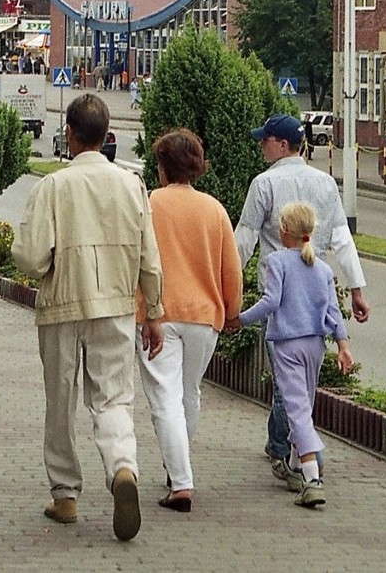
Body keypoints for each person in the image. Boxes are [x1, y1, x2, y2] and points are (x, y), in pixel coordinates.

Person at [12, 93, 164, 543]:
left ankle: (65, 495)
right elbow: (149, 258)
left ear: (71, 135)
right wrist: (153, 311)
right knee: (114, 398)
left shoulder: (53, 187)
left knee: (60, 401)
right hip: (116, 307)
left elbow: (29, 256)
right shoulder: (132, 185)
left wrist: (47, 266)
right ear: (107, 135)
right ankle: (122, 469)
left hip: (61, 305)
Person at [234, 113, 369, 484]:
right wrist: (356, 291)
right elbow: (342, 239)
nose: (261, 145)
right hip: (315, 290)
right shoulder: (325, 183)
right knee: (296, 379)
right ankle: (283, 440)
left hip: (278, 295)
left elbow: (243, 241)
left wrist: (226, 288)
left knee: (284, 378)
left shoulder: (263, 184)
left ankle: (285, 451)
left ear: (282, 145)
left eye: (266, 140)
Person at [135, 129, 242, 511]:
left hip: (157, 315)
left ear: (162, 167)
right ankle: (176, 465)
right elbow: (232, 268)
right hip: (204, 317)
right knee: (188, 393)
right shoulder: (214, 209)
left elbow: (137, 260)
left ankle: (180, 482)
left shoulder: (148, 204)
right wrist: (231, 312)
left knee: (164, 399)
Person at [231, 202, 354, 508]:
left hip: (287, 345)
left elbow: (271, 302)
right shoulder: (323, 268)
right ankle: (299, 468)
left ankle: (313, 479)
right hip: (316, 344)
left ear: (284, 230)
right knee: (305, 406)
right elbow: (333, 311)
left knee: (296, 409)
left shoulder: (277, 261)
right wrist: (343, 345)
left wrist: (239, 319)